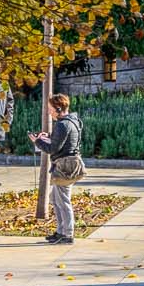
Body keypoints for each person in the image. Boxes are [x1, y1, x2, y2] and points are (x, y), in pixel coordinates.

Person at [33, 92, 85, 245]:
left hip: (65, 166)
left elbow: (53, 149)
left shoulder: (63, 124)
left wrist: (37, 141)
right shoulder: (72, 121)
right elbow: (63, 141)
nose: (49, 112)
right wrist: (48, 137)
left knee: (63, 200)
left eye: (51, 109)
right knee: (56, 199)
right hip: (67, 164)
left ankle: (67, 234)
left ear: (58, 109)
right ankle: (61, 231)